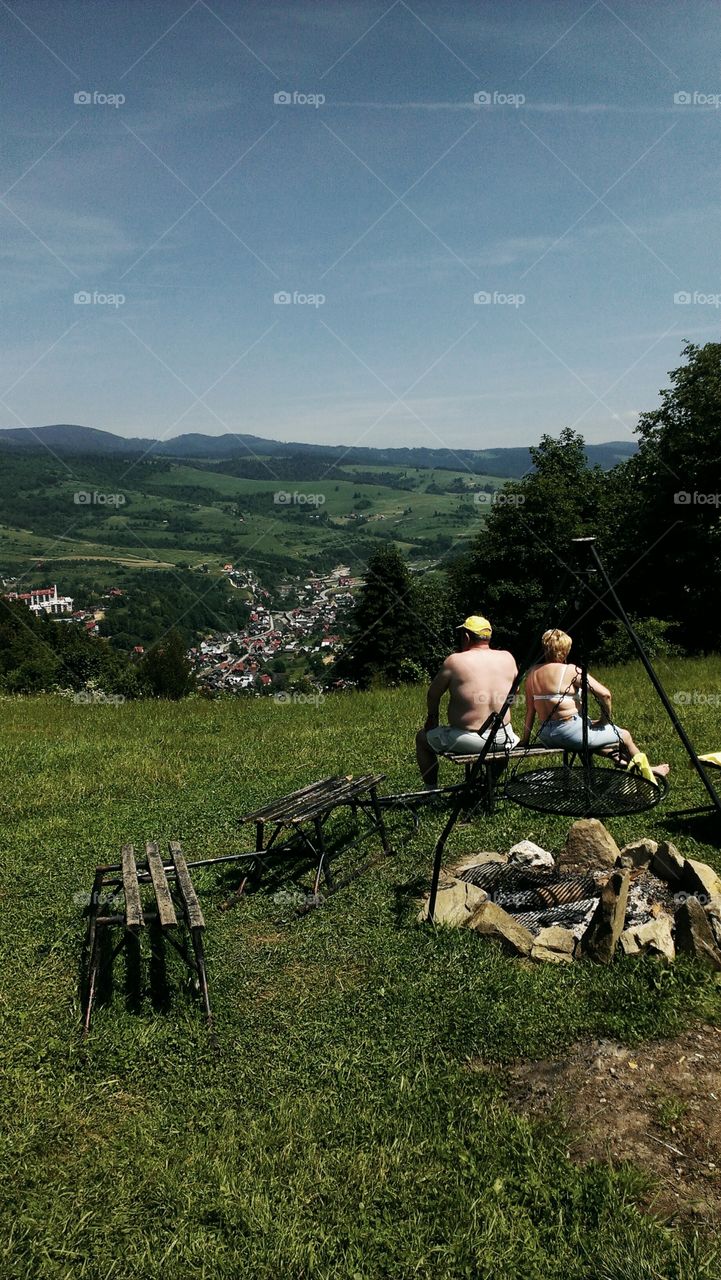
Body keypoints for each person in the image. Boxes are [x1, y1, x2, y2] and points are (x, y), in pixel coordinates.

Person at [520, 628, 670, 778]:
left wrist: (525, 740)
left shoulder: (532, 673)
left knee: (587, 733)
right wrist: (605, 720)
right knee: (625, 736)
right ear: (565, 650)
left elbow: (530, 711)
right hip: (570, 732)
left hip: (546, 735)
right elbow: (605, 695)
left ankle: (619, 758)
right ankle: (649, 772)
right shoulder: (571, 670)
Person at [415, 615, 519, 788]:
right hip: (504, 737)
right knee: (500, 748)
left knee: (421, 739)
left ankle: (431, 792)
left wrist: (432, 717)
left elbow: (433, 694)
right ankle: (488, 785)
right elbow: (514, 694)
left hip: (468, 739)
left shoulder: (455, 661)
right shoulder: (508, 657)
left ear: (467, 637)